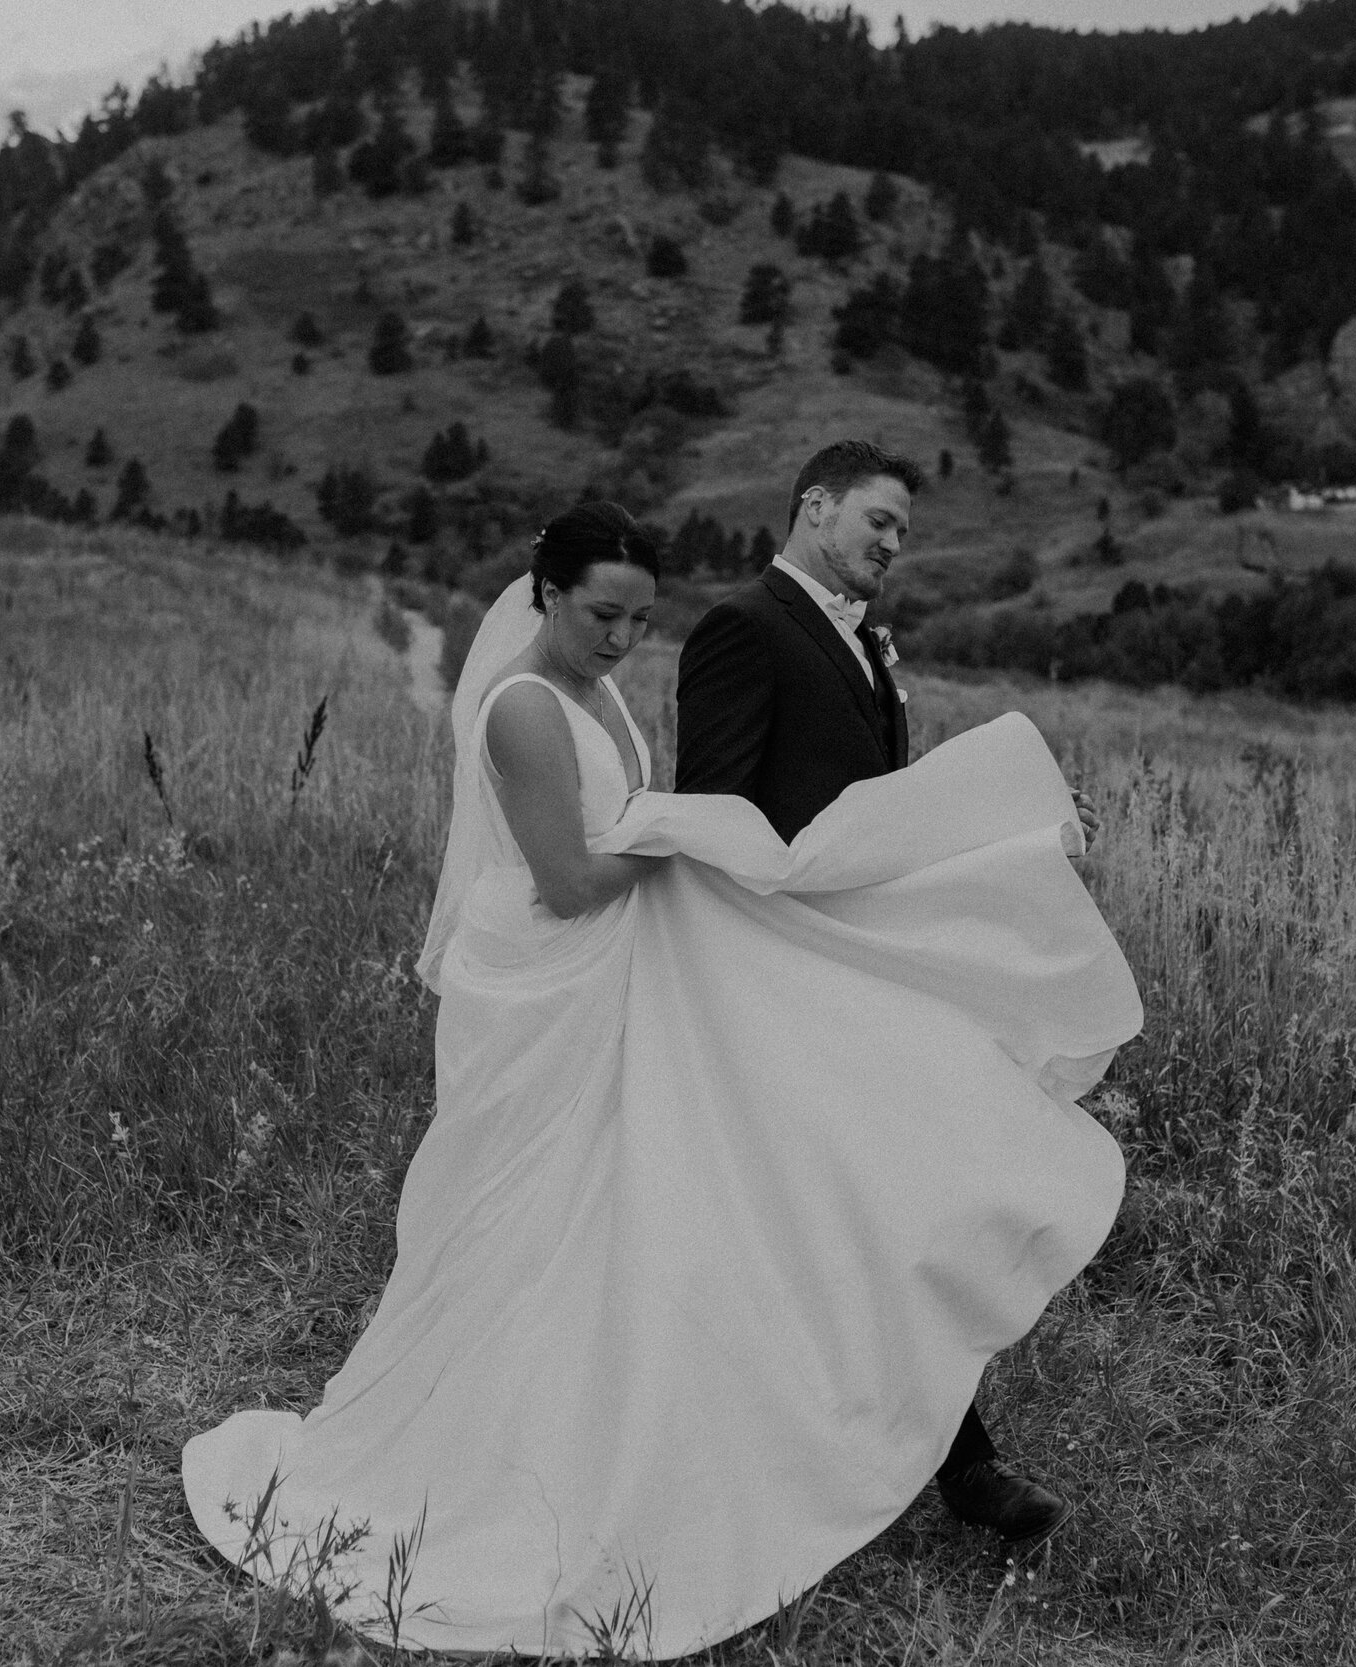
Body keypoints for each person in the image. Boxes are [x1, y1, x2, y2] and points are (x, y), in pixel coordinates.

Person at [183, 499, 1141, 1658]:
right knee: (539, 1223)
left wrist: (694, 831)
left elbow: (626, 825)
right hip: (556, 985)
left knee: (637, 1218)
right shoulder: (525, 708)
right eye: (602, 614)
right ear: (544, 593)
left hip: (619, 973)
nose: (621, 640)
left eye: (639, 621)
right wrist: (689, 834)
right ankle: (504, 1462)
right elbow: (573, 879)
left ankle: (647, 1436)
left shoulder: (598, 696)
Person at [675, 439, 1084, 1544]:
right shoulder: (743, 627)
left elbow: (871, 813)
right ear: (815, 507)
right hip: (773, 978)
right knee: (838, 1215)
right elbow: (714, 814)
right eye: (880, 522)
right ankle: (946, 1465)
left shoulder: (860, 642)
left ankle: (945, 1456)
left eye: (903, 531)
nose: (894, 547)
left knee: (891, 1205)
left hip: (855, 970)